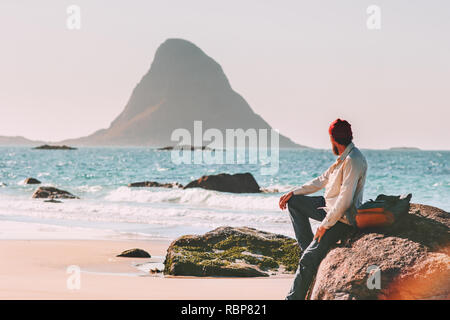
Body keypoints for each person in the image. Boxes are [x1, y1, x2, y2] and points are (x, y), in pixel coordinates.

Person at [279, 118, 368, 300]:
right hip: (328, 207)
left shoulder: (353, 160)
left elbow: (344, 201)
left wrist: (325, 225)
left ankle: (295, 291)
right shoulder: (343, 158)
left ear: (334, 139)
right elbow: (321, 180)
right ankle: (309, 250)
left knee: (306, 261)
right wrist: (293, 192)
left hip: (341, 219)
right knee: (294, 202)